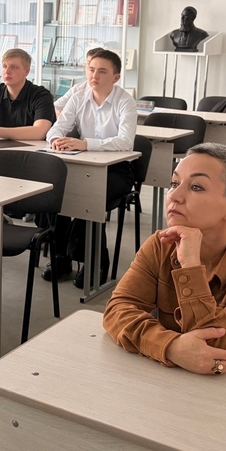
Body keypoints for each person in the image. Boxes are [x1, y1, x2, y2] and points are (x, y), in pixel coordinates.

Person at [103, 143, 226, 375]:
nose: (174, 196)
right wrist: (170, 347)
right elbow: (118, 309)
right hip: (171, 377)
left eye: (196, 187)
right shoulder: (161, 245)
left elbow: (217, 350)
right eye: (174, 183)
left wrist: (191, 267)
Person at [42, 50, 138, 287]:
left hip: (117, 170)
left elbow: (125, 142)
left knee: (87, 198)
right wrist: (56, 140)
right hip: (84, 165)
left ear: (115, 77)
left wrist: (86, 144)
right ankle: (61, 257)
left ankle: (95, 261)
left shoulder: (125, 101)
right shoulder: (78, 97)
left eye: (102, 71)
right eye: (91, 69)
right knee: (56, 192)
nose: (94, 75)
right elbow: (56, 129)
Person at [53, 47, 104, 115]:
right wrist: (59, 113)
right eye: (89, 63)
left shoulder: (115, 95)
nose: (92, 68)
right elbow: (56, 106)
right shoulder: (77, 89)